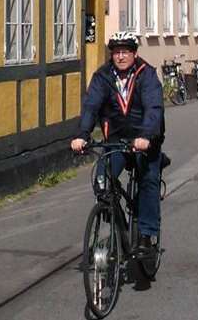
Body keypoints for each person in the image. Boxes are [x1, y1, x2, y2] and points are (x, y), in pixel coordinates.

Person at [71, 31, 164, 251]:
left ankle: (146, 235)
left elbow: (153, 108)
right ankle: (114, 218)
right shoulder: (102, 76)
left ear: (134, 53)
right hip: (115, 140)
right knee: (102, 181)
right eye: (116, 52)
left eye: (125, 52)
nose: (121, 57)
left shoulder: (146, 75)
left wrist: (147, 136)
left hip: (145, 140)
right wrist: (82, 135)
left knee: (149, 181)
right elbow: (91, 106)